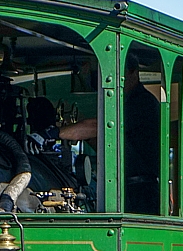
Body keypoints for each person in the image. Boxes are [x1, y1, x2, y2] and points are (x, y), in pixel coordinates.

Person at [59, 56, 160, 213]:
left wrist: (56, 133)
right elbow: (106, 142)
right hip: (127, 188)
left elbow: (98, 127)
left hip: (139, 192)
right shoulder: (127, 101)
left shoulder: (142, 102)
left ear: (134, 73)